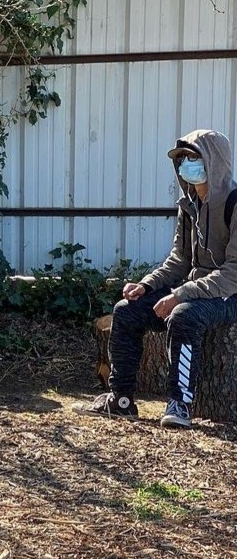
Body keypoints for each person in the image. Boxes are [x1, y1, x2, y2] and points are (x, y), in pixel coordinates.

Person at [75, 130, 237, 428]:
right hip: (197, 287)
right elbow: (179, 260)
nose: (186, 165)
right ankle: (120, 399)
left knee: (184, 316)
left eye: (194, 157)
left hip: (229, 293)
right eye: (182, 159)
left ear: (214, 160)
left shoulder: (234, 203)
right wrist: (146, 284)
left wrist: (182, 294)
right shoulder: (188, 205)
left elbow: (233, 273)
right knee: (126, 311)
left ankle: (180, 404)